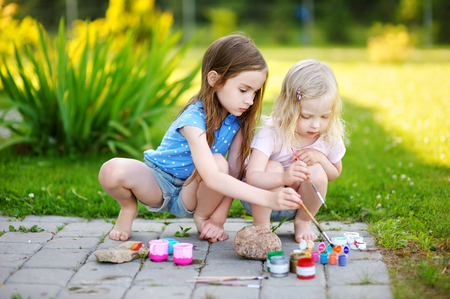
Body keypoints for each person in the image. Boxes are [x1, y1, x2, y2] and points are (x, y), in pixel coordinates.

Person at [98, 34, 302, 243]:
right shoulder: (192, 119)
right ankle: (128, 207)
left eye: (254, 93)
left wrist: (218, 219)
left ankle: (202, 218)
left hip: (194, 193)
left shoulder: (238, 122)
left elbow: (233, 173)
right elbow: (213, 177)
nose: (250, 101)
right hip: (158, 183)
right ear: (214, 79)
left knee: (219, 164)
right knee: (111, 171)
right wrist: (269, 198)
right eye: (243, 90)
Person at [243, 59, 346, 243]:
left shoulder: (328, 136)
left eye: (324, 116)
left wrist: (321, 159)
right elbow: (252, 176)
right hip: (260, 198)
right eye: (306, 116)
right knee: (273, 166)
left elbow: (334, 173)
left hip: (299, 203)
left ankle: (303, 223)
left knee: (316, 170)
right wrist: (283, 178)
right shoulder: (272, 133)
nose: (316, 124)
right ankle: (261, 227)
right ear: (288, 107)